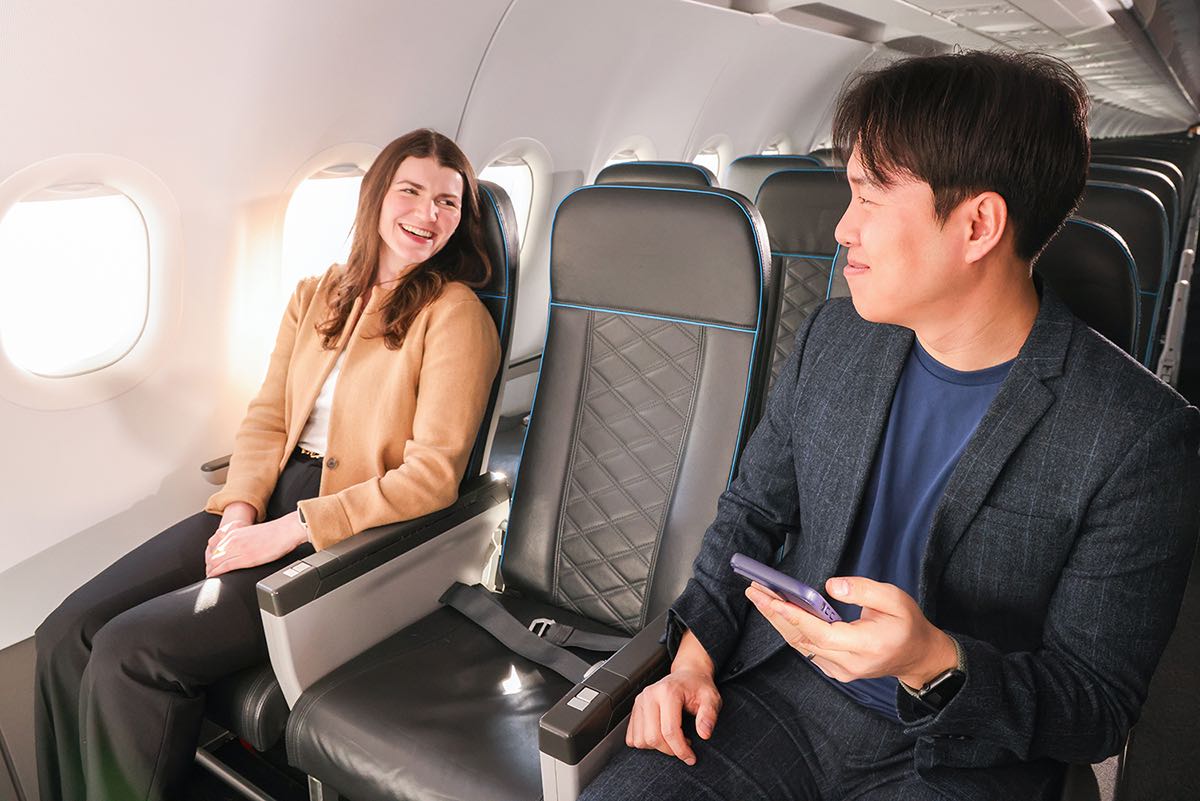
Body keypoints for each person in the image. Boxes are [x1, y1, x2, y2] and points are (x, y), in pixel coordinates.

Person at [583, 51, 1200, 801]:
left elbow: (1096, 707)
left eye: (870, 198)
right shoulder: (833, 339)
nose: (843, 229)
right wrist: (691, 660)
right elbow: (750, 516)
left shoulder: (1139, 437)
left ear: (978, 225)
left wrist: (932, 661)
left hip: (961, 755)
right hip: (780, 697)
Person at [33, 128, 502, 801]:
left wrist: (285, 531)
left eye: (448, 203)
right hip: (265, 495)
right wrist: (240, 511)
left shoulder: (454, 315)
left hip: (344, 527)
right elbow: (268, 418)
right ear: (376, 195)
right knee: (64, 632)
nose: (428, 214)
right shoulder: (319, 293)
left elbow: (430, 477)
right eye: (412, 191)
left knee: (128, 652)